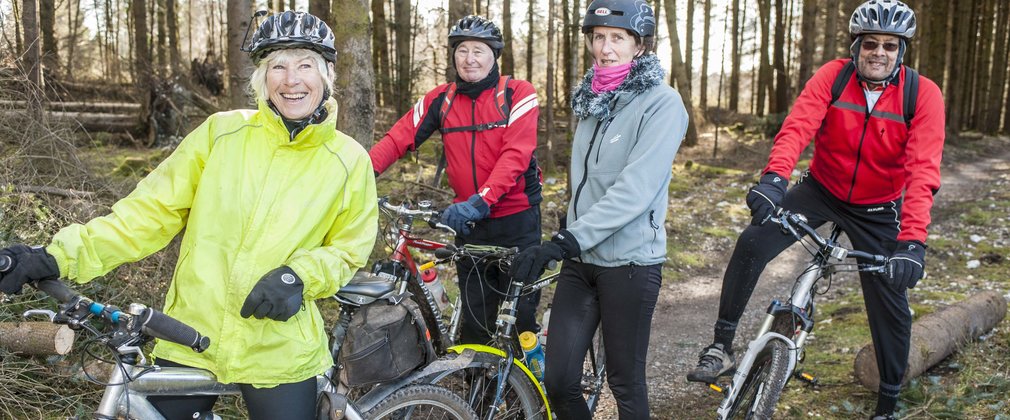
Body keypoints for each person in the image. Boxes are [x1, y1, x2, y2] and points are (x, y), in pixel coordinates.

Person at [0, 11, 377, 420]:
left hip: (280, 350)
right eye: (278, 66)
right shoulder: (221, 134)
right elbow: (148, 213)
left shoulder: (348, 161)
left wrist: (300, 276)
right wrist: (57, 257)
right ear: (262, 79)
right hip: (190, 335)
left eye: (305, 65)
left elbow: (348, 249)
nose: (291, 80)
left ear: (325, 76)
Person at [686, 1, 944, 418]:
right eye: (871, 43)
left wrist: (912, 240)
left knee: (891, 297)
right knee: (754, 239)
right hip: (821, 190)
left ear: (902, 51)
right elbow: (798, 127)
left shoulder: (922, 94)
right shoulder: (834, 76)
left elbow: (923, 171)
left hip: (879, 207)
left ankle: (888, 402)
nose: (880, 52)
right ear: (856, 45)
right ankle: (722, 345)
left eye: (890, 46)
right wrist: (774, 179)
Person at [509, 0, 688, 417]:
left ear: (638, 45)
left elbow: (634, 189)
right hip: (581, 260)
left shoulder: (662, 104)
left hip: (630, 263)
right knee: (558, 381)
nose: (606, 48)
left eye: (618, 38)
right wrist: (569, 229)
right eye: (599, 37)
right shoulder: (593, 103)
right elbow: (587, 183)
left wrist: (567, 238)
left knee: (625, 384)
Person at [369, 15, 543, 345]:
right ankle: (479, 394)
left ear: (494, 56)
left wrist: (482, 200)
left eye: (479, 50)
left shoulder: (518, 93)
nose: (469, 59)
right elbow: (396, 139)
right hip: (471, 224)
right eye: (462, 50)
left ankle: (527, 391)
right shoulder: (442, 99)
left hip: (517, 220)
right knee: (476, 320)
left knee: (518, 318)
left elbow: (516, 155)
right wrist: (358, 177)